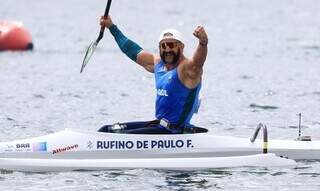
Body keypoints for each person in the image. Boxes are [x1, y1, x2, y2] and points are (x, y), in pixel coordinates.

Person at [98, 15, 208, 134]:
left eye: (171, 45)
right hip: (159, 126)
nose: (167, 50)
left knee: (118, 136)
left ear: (181, 47)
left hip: (175, 133)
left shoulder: (187, 69)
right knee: (106, 129)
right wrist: (112, 27)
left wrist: (203, 42)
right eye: (163, 46)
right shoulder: (158, 64)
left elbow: (198, 62)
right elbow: (132, 50)